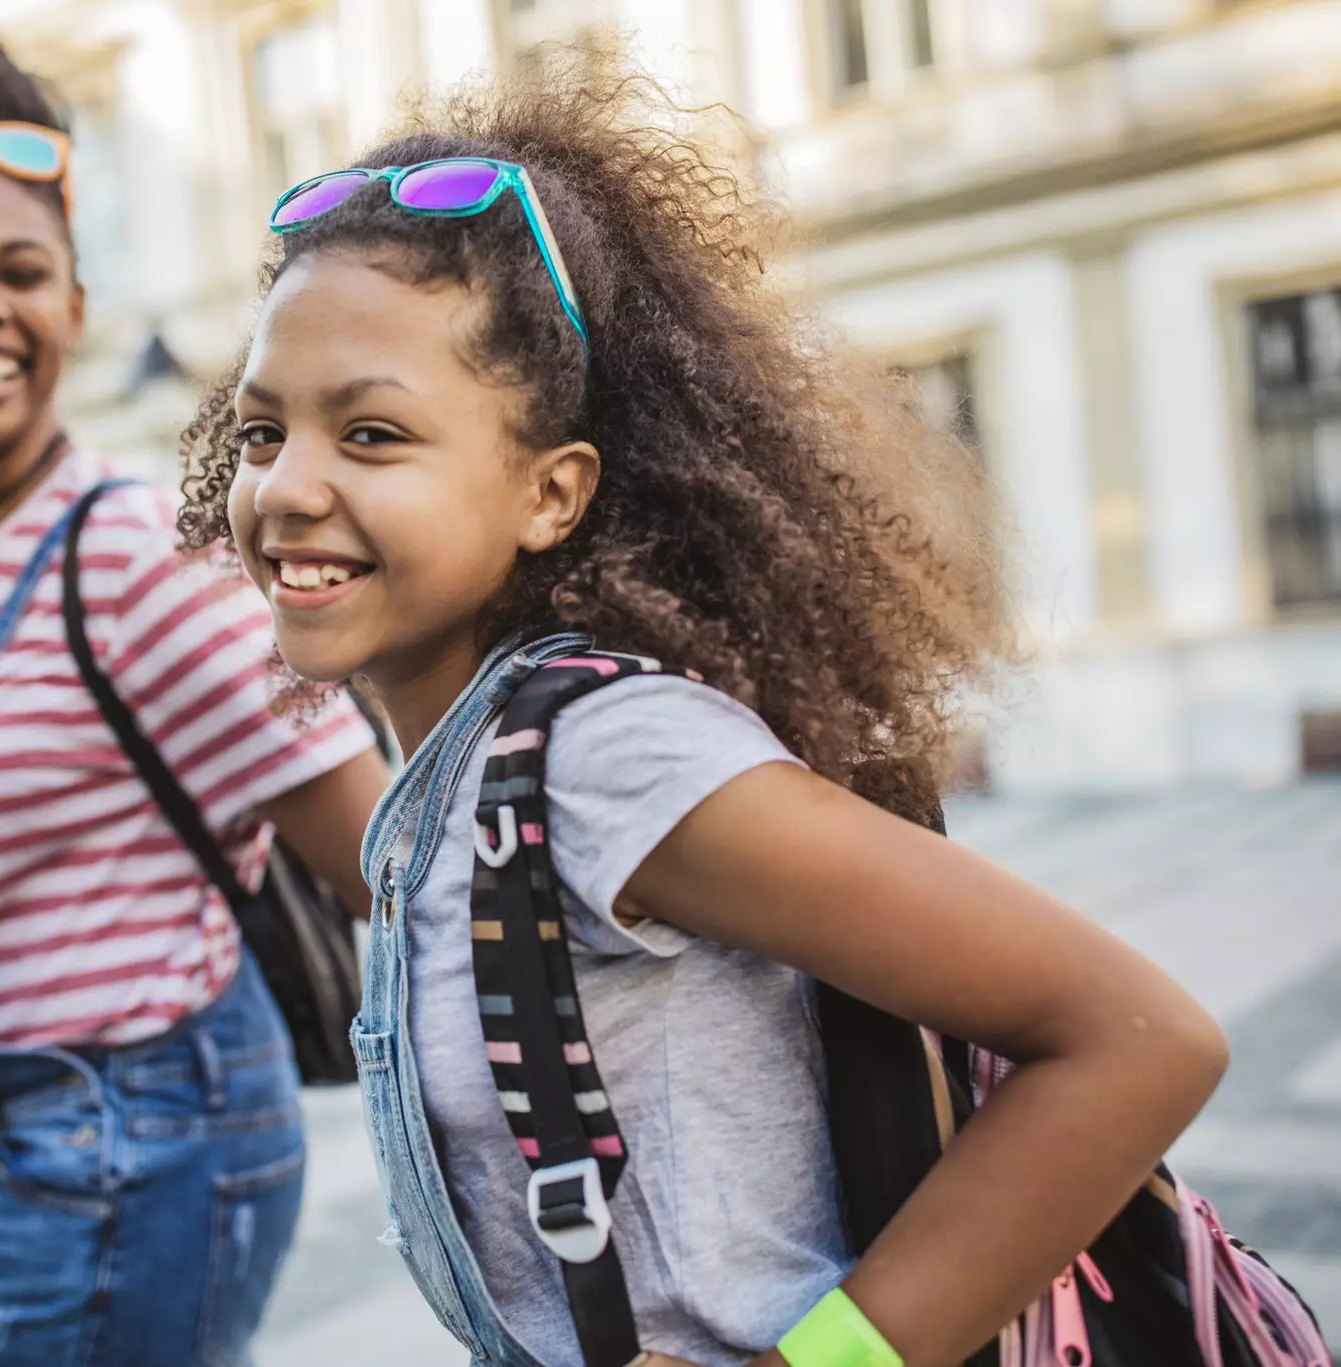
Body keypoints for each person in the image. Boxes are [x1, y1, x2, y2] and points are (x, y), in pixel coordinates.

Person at [178, 60, 1232, 1367]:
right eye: (263, 430)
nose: (285, 486)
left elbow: (1133, 1040)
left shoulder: (598, 753)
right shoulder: (449, 766)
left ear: (549, 494)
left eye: (374, 435)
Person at [0, 33, 389, 1366]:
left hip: (146, 1146)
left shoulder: (131, 553)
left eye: (20, 271)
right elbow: (39, 921)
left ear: (74, 306)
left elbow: (400, 864)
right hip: (45, 1138)